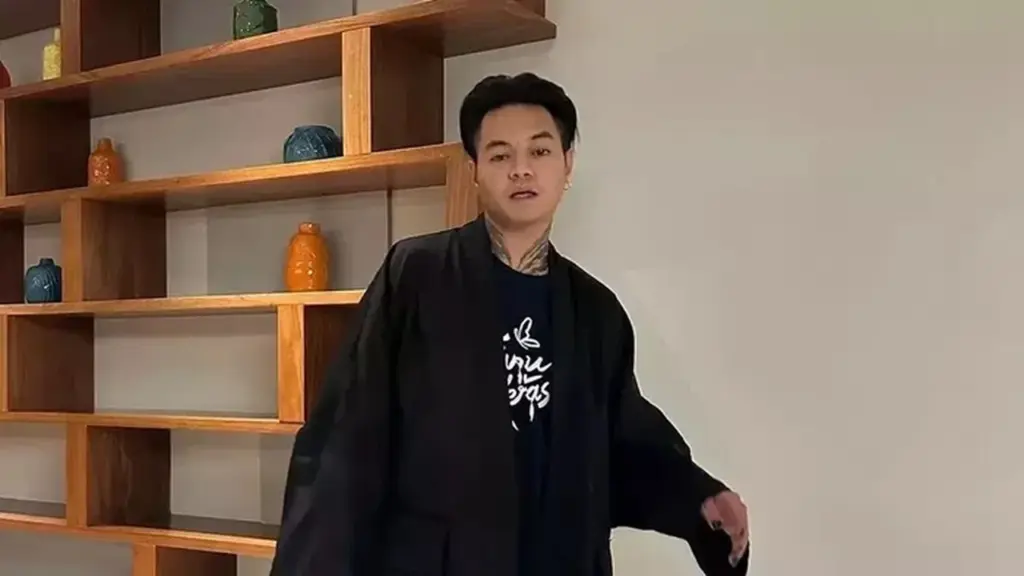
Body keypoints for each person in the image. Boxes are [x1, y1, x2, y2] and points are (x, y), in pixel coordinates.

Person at [270, 72, 751, 576]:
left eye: (540, 151)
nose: (521, 169)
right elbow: (346, 440)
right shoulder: (415, 276)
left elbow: (624, 444)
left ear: (567, 164)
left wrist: (698, 497)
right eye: (500, 156)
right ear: (475, 170)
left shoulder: (595, 311)